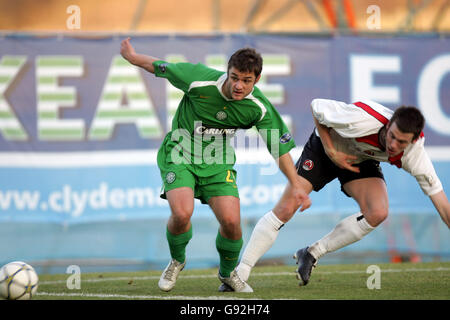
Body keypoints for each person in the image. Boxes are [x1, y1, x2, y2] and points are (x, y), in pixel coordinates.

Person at [120, 38, 311, 292]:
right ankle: (177, 260)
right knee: (182, 213)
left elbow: (277, 146)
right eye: (234, 77)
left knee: (232, 222)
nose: (239, 85)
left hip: (217, 162)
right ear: (227, 71)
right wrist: (133, 58)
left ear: (257, 79)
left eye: (246, 80)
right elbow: (159, 66)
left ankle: (227, 273)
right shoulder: (199, 79)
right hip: (180, 153)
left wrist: (296, 184)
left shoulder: (257, 107)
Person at [225, 98, 450, 291]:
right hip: (325, 148)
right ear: (389, 124)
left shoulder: (414, 155)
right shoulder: (361, 119)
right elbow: (316, 107)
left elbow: (442, 204)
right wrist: (332, 151)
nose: (392, 145)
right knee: (286, 208)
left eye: (401, 142)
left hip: (358, 161)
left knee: (378, 212)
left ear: (412, 141)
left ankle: (312, 253)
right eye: (391, 136)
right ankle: (240, 273)